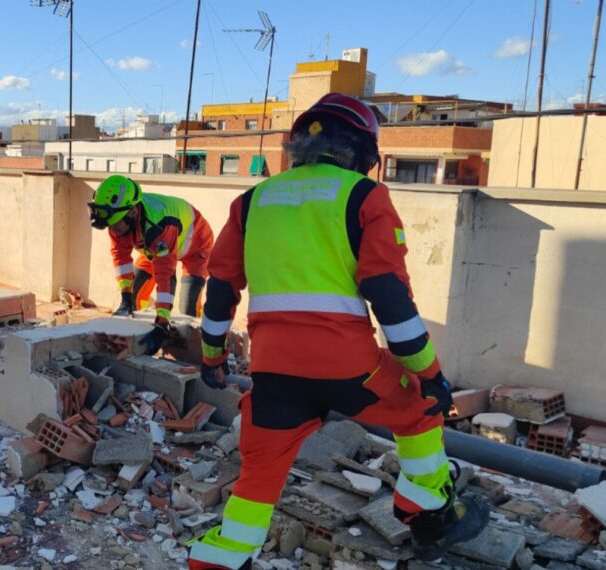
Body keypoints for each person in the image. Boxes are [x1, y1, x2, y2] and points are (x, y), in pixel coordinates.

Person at [187, 93, 490, 569]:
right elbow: (389, 298)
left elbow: (221, 290)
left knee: (258, 475)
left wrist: (211, 359)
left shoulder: (250, 202)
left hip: (272, 375)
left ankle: (220, 559)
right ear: (364, 154)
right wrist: (428, 373)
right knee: (418, 411)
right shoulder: (364, 196)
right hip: (351, 369)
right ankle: (429, 519)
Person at [89, 175, 214, 354]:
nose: (113, 230)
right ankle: (140, 337)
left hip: (195, 245)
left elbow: (166, 274)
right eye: (109, 225)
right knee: (134, 294)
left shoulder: (159, 225)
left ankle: (192, 353)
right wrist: (126, 297)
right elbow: (121, 258)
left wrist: (162, 321)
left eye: (115, 225)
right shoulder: (116, 219)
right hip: (153, 249)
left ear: (132, 213)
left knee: (188, 308)